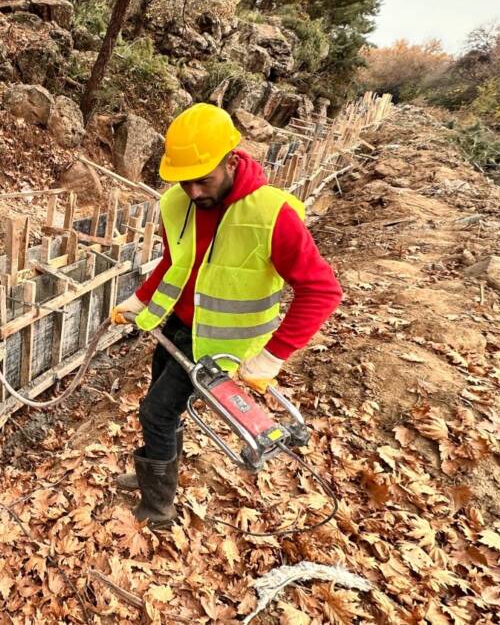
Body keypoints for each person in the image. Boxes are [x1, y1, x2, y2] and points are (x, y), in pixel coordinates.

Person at [110, 104, 342, 528]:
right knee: (162, 408)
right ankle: (157, 477)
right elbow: (175, 262)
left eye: (204, 179)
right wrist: (142, 299)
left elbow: (322, 290)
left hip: (222, 344)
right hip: (179, 327)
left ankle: (158, 509)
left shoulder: (271, 214)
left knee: (156, 413)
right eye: (185, 181)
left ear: (232, 161)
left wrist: (274, 356)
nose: (194, 192)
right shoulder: (177, 204)